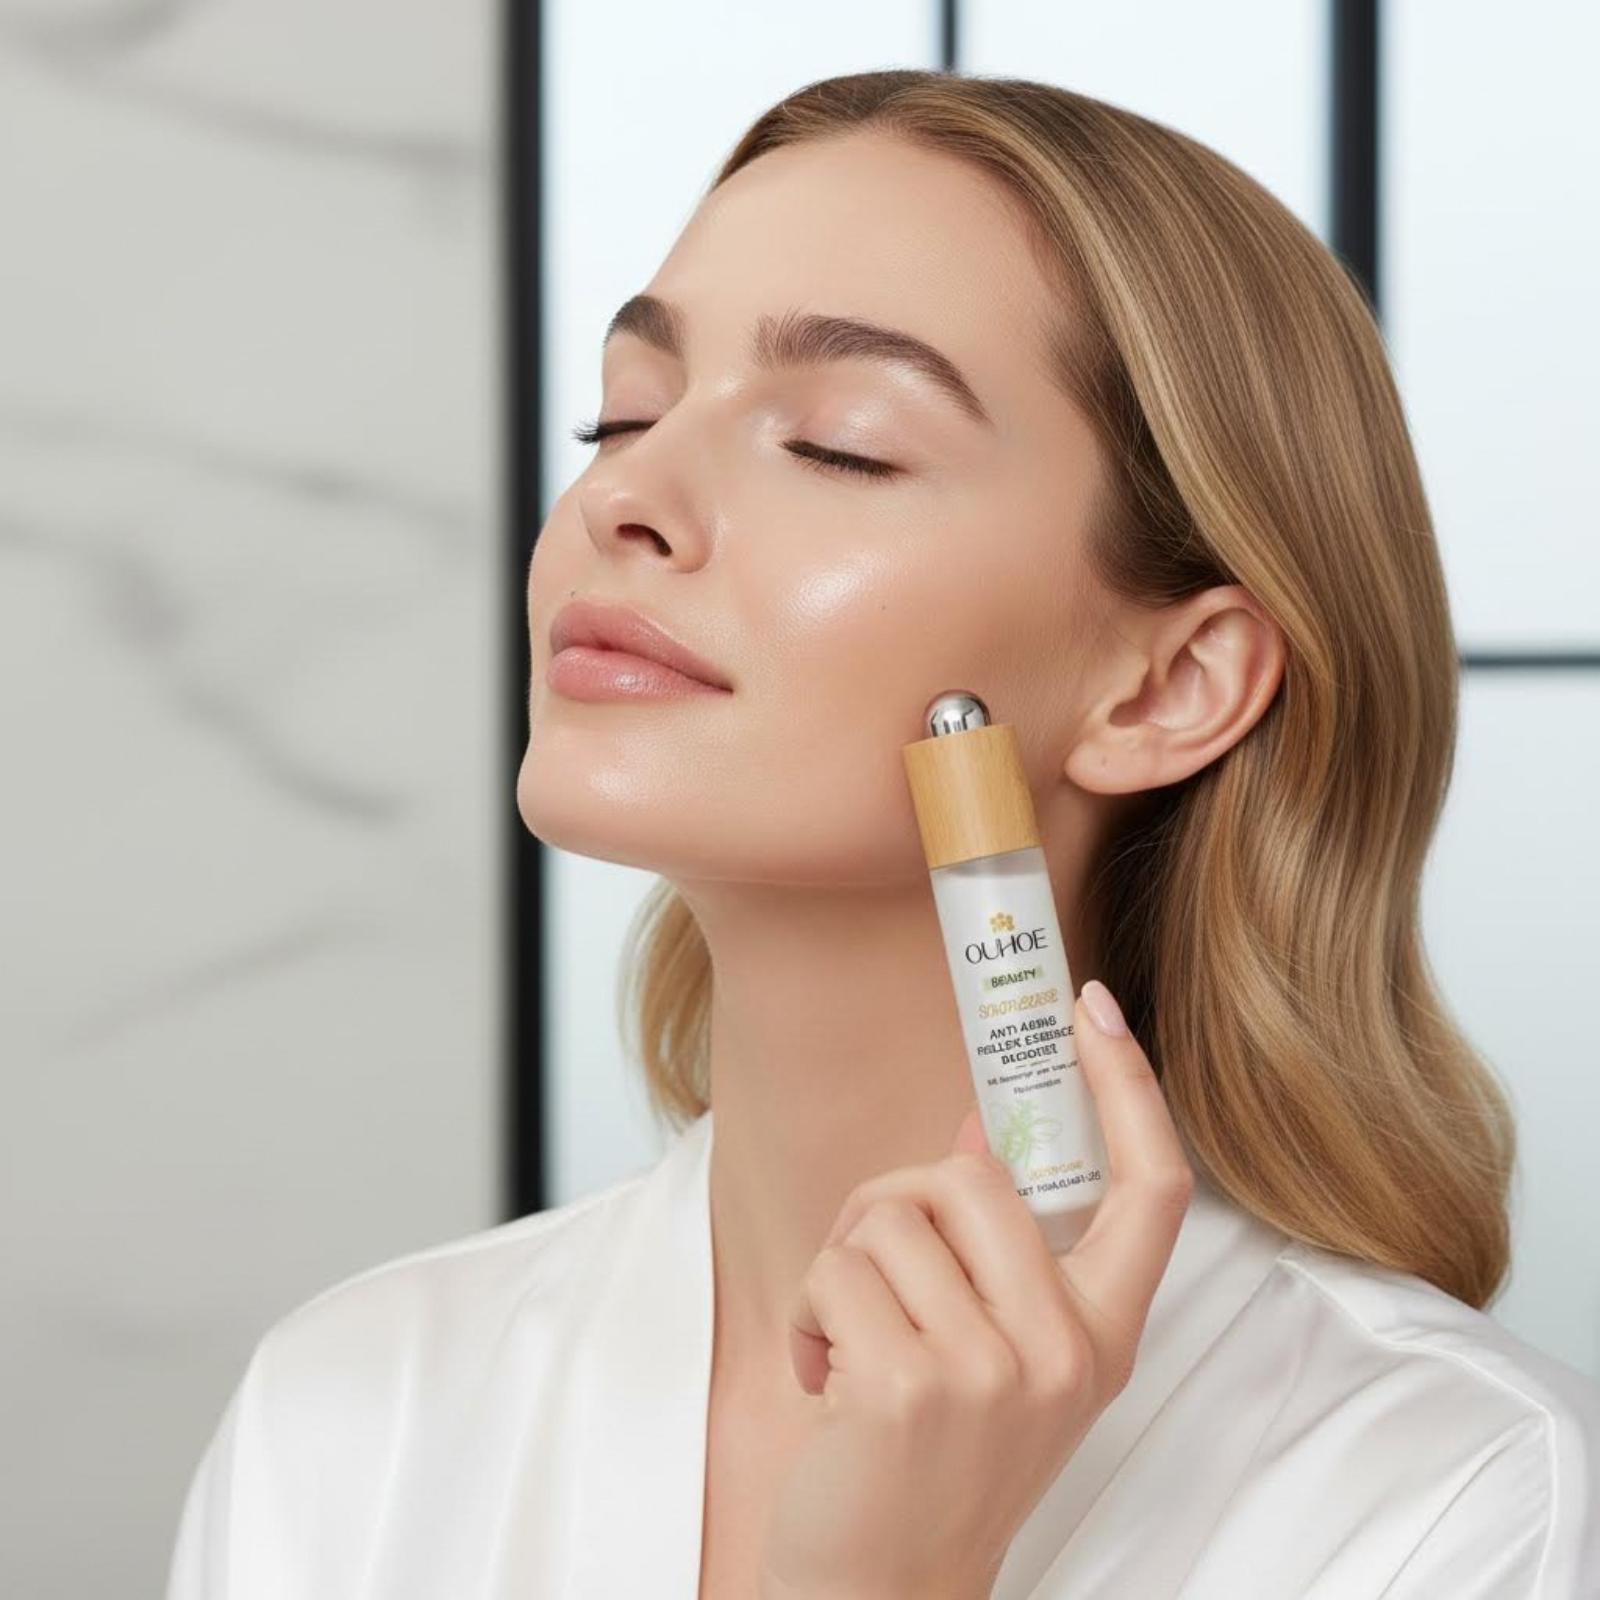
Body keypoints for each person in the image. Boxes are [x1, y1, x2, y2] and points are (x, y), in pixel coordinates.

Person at [167, 69, 1600, 1598]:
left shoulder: (1452, 1495)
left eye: (840, 444)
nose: (624, 494)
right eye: (624, 412)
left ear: (1171, 686)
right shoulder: (359, 1411)